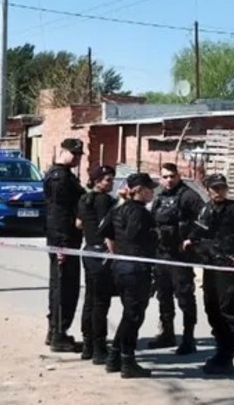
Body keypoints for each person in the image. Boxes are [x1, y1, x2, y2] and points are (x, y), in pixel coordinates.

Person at [184, 173, 234, 376]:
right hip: (210, 264)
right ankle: (220, 352)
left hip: (227, 265)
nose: (219, 192)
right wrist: (190, 240)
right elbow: (199, 227)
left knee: (228, 311)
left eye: (222, 188)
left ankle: (227, 357)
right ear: (208, 190)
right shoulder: (207, 208)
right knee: (212, 308)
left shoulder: (232, 208)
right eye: (215, 188)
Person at [104, 172, 158, 379]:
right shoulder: (139, 213)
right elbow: (134, 235)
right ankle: (127, 361)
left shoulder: (119, 209)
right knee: (134, 316)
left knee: (129, 314)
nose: (152, 192)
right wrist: (154, 236)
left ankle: (115, 357)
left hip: (121, 266)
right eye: (149, 189)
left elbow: (107, 230)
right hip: (135, 268)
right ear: (139, 190)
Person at [148, 162, 204, 355]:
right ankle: (167, 333)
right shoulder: (159, 195)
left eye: (172, 176)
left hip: (180, 255)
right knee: (163, 295)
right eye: (165, 177)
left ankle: (189, 339)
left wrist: (191, 238)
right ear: (160, 178)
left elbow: (205, 219)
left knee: (185, 297)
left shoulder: (188, 196)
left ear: (178, 176)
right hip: (161, 254)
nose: (169, 180)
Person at [43, 138, 86, 353]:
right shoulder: (60, 178)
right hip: (63, 240)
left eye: (79, 155)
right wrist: (61, 245)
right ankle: (59, 333)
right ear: (64, 151)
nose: (77, 158)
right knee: (64, 288)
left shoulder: (63, 175)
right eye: (75, 153)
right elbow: (58, 214)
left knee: (62, 286)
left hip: (66, 239)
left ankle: (56, 330)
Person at [76, 164, 117, 364]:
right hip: (102, 254)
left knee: (91, 300)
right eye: (108, 180)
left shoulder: (84, 199)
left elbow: (79, 224)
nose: (111, 183)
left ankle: (87, 345)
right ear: (97, 181)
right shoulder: (105, 201)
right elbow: (107, 230)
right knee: (101, 302)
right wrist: (114, 253)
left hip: (88, 251)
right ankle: (99, 348)